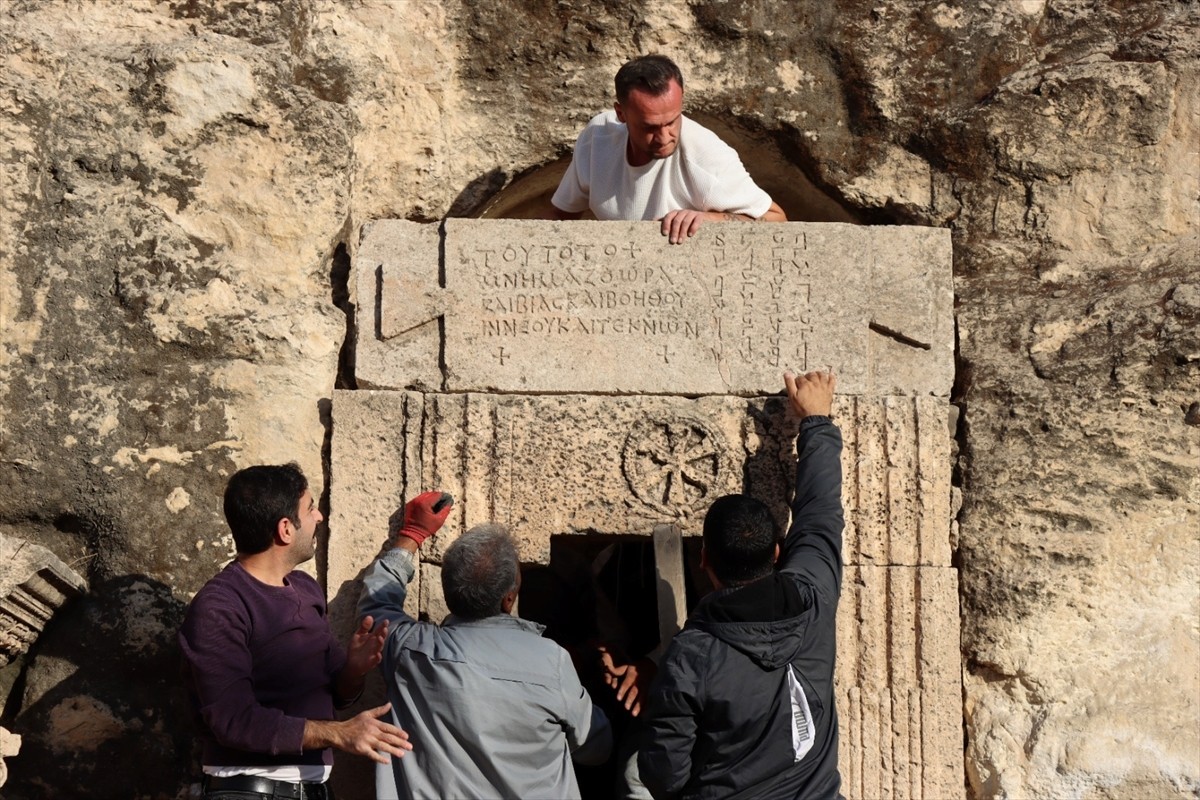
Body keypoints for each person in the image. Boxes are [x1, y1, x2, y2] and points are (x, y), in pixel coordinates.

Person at [637, 371, 844, 799]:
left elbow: (663, 776)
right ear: (775, 554)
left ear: (703, 559)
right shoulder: (814, 597)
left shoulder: (690, 656)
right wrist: (816, 421)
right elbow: (820, 512)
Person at [179, 464, 413, 800]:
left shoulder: (304, 588)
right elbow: (233, 719)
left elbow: (336, 692)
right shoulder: (220, 607)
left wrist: (354, 668)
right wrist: (339, 734)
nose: (319, 517)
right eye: (311, 507)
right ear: (285, 529)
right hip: (248, 791)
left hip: (313, 789)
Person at [357, 495, 613, 799]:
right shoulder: (552, 661)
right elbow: (596, 747)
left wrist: (411, 536)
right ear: (509, 598)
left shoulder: (411, 651)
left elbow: (375, 609)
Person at [550, 53, 787, 244]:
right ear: (621, 114)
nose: (665, 137)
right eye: (649, 127)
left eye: (672, 121)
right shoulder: (598, 138)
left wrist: (711, 219)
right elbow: (559, 218)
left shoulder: (706, 155)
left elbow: (777, 220)